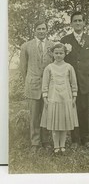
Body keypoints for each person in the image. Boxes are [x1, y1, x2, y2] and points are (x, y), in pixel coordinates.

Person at [61, 11, 89, 149]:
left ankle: (86, 138)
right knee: (73, 109)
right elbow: (61, 61)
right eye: (75, 20)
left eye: (80, 20)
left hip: (86, 81)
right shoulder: (65, 40)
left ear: (83, 23)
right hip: (70, 82)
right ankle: (75, 140)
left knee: (85, 109)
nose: (78, 23)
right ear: (71, 23)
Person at [20, 19, 54, 153]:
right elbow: (23, 68)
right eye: (38, 29)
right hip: (32, 85)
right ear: (35, 30)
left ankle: (45, 140)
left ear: (47, 30)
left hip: (48, 86)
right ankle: (35, 142)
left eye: (43, 29)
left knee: (46, 114)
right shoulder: (26, 46)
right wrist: (28, 81)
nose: (41, 31)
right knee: (34, 115)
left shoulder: (52, 45)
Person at [40, 42, 78, 153]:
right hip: (53, 98)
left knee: (64, 123)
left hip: (66, 98)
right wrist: (45, 97)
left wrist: (74, 96)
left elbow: (73, 83)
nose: (58, 55)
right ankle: (56, 146)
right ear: (52, 54)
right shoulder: (49, 68)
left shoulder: (69, 67)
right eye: (56, 53)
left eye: (61, 53)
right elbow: (45, 84)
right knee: (55, 124)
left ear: (65, 54)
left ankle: (63, 145)